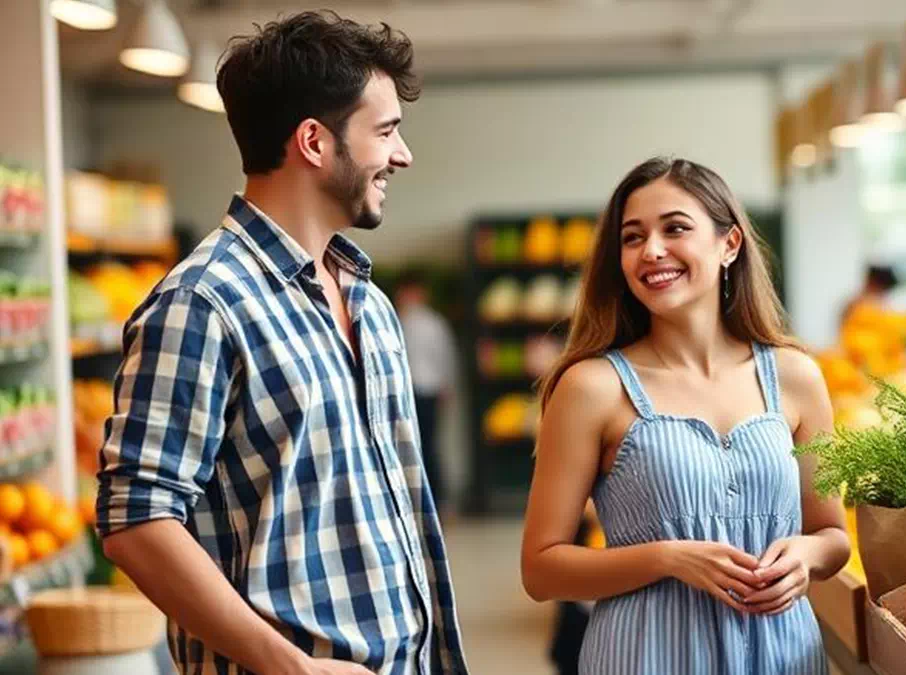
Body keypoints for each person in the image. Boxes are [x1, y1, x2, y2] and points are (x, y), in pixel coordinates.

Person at [94, 12, 468, 675]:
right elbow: (135, 519)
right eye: (385, 132)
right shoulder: (201, 303)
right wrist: (288, 664)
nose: (402, 155)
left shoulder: (370, 304)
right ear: (315, 142)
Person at [520, 157, 850, 674]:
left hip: (783, 655)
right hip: (646, 656)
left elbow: (833, 536)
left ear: (729, 244)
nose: (651, 250)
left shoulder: (796, 377)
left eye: (675, 228)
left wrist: (804, 558)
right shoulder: (592, 387)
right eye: (632, 238)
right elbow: (541, 570)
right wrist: (669, 558)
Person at [393, 271, 458, 511]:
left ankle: (437, 501)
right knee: (414, 447)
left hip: (426, 391)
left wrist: (445, 387)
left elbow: (445, 357)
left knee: (427, 447)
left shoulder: (431, 323)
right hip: (409, 391)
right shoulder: (397, 319)